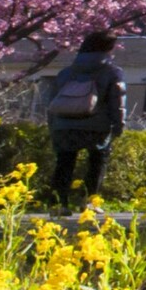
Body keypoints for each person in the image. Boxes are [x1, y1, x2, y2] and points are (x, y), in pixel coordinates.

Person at [39, 31, 126, 211]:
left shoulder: (66, 72)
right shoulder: (112, 72)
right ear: (108, 49)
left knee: (64, 161)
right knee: (97, 161)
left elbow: (53, 101)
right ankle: (89, 201)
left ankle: (58, 203)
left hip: (65, 124)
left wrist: (53, 125)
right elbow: (117, 101)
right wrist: (119, 124)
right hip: (97, 125)